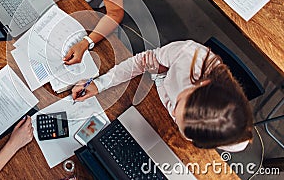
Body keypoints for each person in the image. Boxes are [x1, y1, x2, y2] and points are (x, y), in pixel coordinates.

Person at [72, 40, 254, 152]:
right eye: (180, 101)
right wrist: (100, 83)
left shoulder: (235, 143)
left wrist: (159, 76)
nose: (172, 111)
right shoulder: (189, 55)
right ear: (203, 84)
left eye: (180, 122)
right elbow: (142, 61)